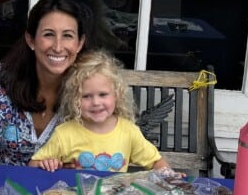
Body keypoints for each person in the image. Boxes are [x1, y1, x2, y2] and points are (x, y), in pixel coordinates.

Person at [0, 0, 89, 166]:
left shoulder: (92, 92)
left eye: (68, 36)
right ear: (31, 40)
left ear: (79, 43)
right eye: (49, 34)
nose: (57, 47)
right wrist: (19, 178)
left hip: (61, 191)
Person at [30, 50, 170, 173]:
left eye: (103, 94)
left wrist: (169, 176)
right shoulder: (64, 134)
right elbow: (32, 166)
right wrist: (46, 164)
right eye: (86, 96)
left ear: (117, 95)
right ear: (74, 99)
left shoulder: (129, 131)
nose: (96, 103)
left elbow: (156, 162)